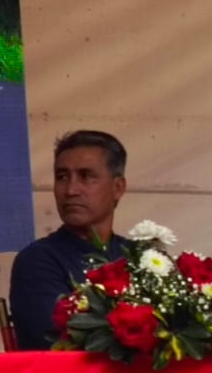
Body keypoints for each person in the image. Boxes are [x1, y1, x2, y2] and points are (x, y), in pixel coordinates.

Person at [8, 130, 135, 350]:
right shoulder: (37, 261)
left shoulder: (143, 258)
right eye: (62, 177)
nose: (71, 190)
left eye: (85, 176)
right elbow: (56, 344)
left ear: (118, 188)